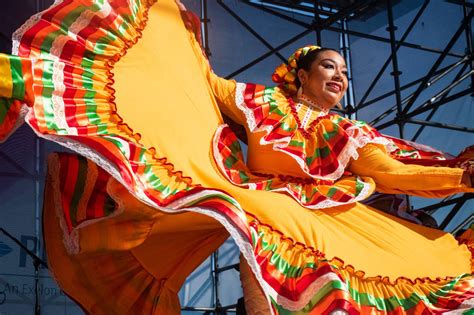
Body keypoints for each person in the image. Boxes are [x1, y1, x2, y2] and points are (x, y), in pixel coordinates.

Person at [0, 0, 472, 314]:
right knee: (251, 216)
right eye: (329, 65)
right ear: (301, 75)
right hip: (261, 201)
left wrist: (460, 180)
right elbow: (202, 84)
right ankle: (29, 80)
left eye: (344, 71)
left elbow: (391, 173)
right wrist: (166, 33)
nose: (340, 76)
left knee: (276, 235)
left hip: (326, 218)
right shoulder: (260, 102)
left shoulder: (350, 133)